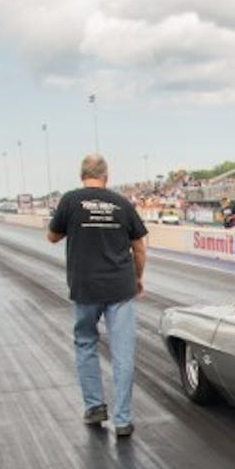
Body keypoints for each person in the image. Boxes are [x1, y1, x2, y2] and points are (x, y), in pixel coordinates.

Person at [47, 154, 148, 437]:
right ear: (106, 176)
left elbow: (52, 237)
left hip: (85, 287)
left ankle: (95, 407)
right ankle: (123, 419)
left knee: (86, 344)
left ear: (82, 175)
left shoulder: (70, 200)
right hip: (120, 287)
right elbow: (139, 248)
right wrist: (138, 277)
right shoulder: (122, 203)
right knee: (123, 351)